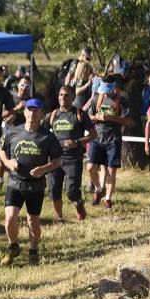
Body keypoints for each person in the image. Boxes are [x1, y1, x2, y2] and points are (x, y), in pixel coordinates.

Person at [0, 100, 63, 266]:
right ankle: (13, 247)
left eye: (36, 110)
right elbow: (2, 151)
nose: (32, 113)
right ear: (25, 112)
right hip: (15, 183)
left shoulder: (48, 136)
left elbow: (57, 161)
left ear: (42, 114)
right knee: (10, 217)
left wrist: (44, 168)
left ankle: (33, 251)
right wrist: (8, 163)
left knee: (32, 221)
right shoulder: (12, 132)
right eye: (29, 110)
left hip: (36, 186)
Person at [43, 86, 95, 222]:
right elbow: (41, 134)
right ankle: (59, 218)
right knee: (54, 191)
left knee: (71, 191)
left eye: (66, 95)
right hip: (54, 159)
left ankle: (79, 203)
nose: (62, 98)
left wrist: (77, 142)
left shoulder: (80, 114)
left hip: (73, 158)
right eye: (60, 95)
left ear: (73, 97)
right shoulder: (52, 115)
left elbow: (93, 134)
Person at [86, 79, 131, 209]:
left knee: (111, 169)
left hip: (113, 139)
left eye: (107, 91)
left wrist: (111, 118)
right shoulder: (97, 98)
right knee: (90, 167)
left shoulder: (121, 101)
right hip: (97, 137)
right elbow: (89, 116)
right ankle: (99, 189)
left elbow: (127, 121)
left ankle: (108, 199)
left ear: (113, 88)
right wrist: (97, 117)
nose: (105, 94)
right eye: (103, 91)